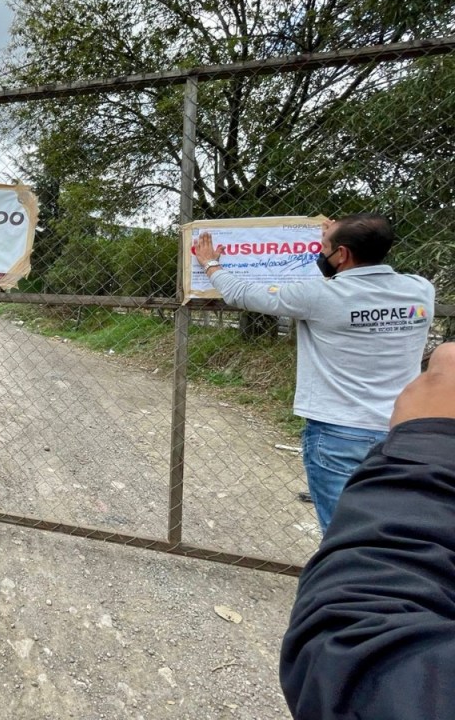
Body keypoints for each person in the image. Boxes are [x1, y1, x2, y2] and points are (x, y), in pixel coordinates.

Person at [194, 214, 434, 531]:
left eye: (323, 247)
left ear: (342, 254)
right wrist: (340, 235)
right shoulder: (420, 290)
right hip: (401, 429)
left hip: (338, 432)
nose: (320, 252)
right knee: (394, 528)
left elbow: (243, 293)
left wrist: (210, 264)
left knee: (342, 532)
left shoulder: (319, 295)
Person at [279, 342, 455, 719]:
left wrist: (434, 452)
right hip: (392, 420)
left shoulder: (320, 302)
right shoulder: (421, 303)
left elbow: (351, 652)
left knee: (353, 540)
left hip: (372, 427)